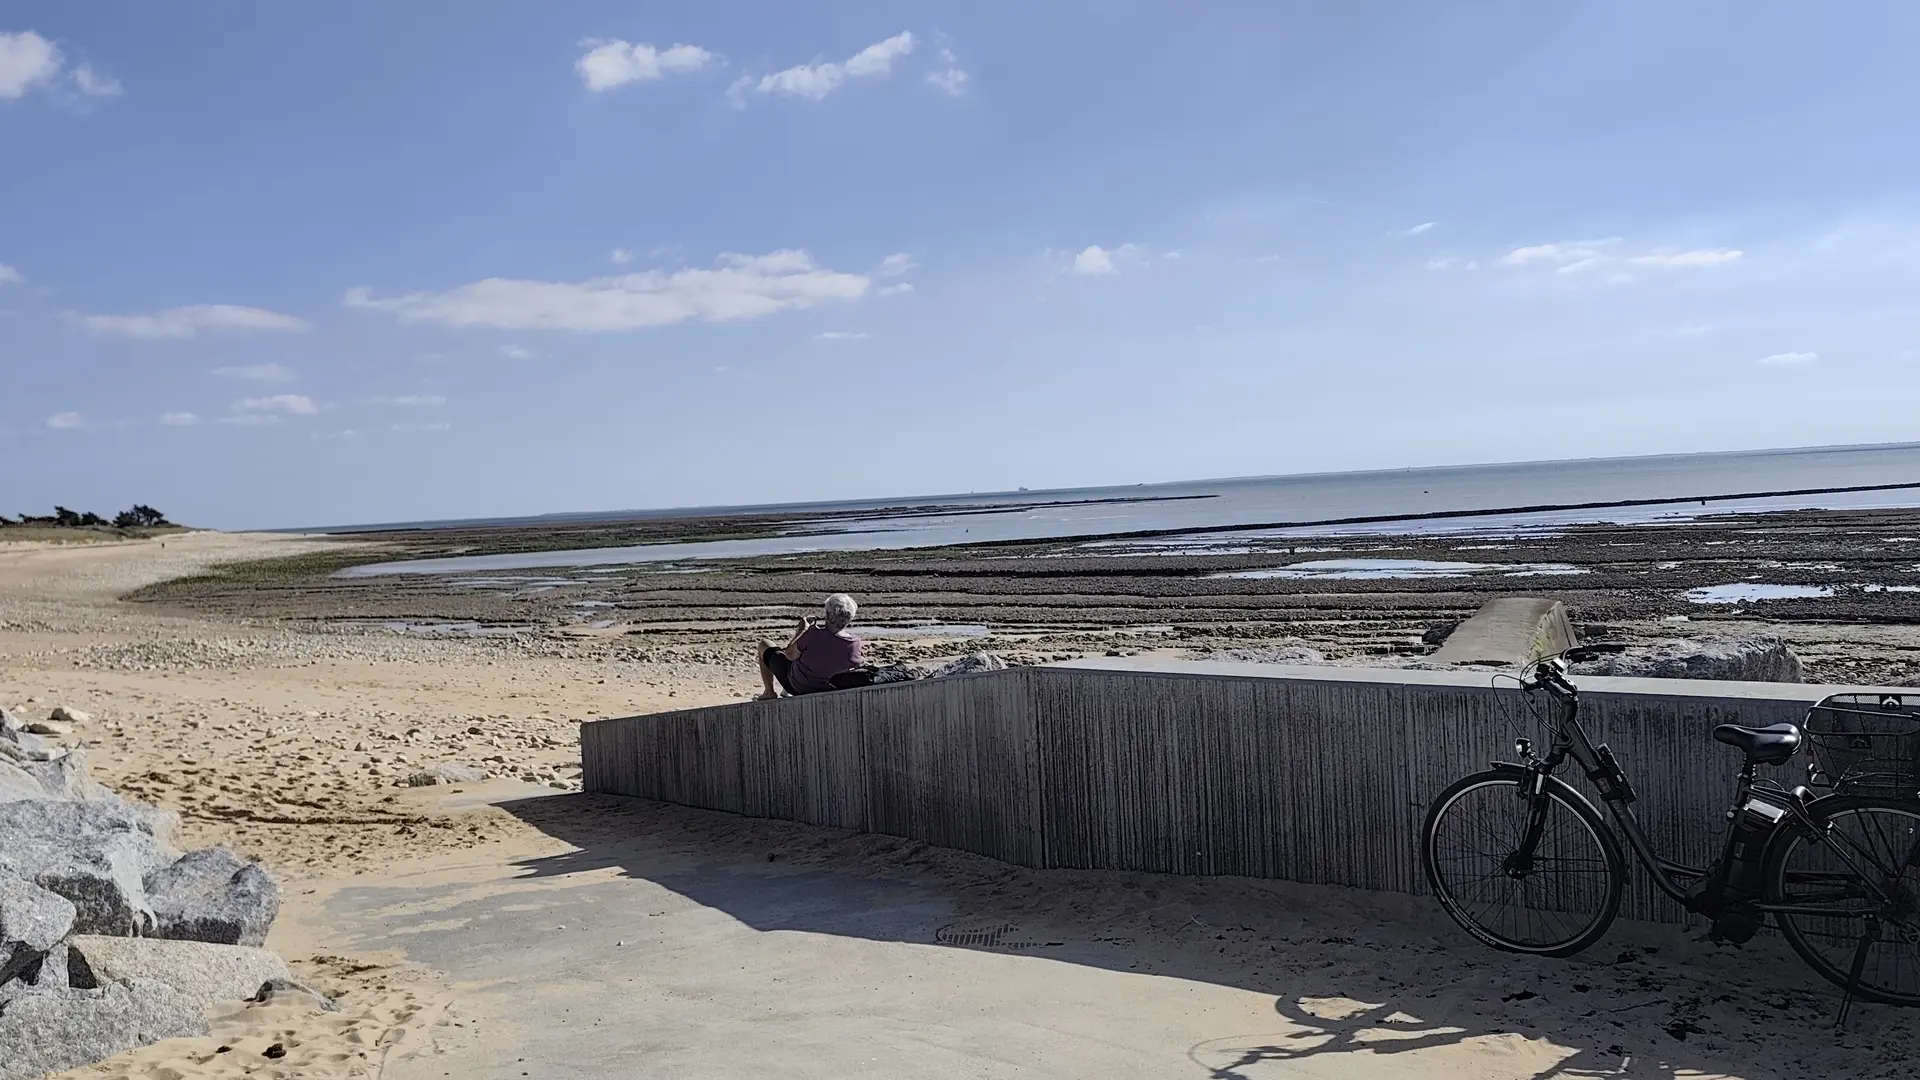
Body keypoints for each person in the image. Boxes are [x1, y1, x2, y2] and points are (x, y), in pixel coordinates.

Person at [757, 593, 865, 699]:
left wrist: (801, 631)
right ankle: (782, 691)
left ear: (828, 615)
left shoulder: (813, 635)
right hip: (830, 688)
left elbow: (789, 655)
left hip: (799, 687)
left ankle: (769, 692)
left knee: (764, 644)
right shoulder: (854, 642)